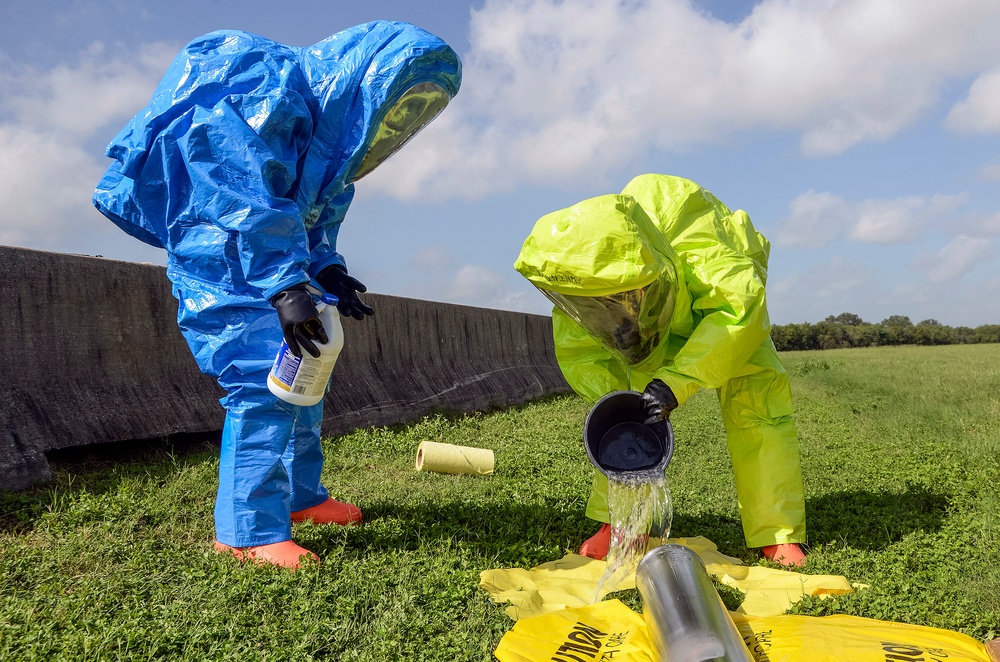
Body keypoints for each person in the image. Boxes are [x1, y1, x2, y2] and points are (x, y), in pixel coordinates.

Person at [93, 22, 462, 569]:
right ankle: (247, 531)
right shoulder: (264, 88)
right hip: (222, 256)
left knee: (304, 378)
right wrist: (284, 284)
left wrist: (327, 270)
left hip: (271, 264)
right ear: (366, 80)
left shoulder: (324, 138)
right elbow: (238, 192)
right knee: (261, 384)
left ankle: (300, 497)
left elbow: (309, 214)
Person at [513, 174, 807, 567]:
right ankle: (622, 526)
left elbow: (739, 314)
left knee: (757, 407)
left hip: (720, 319)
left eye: (618, 300)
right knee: (630, 419)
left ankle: (777, 534)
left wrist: (677, 382)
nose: (606, 311)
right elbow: (583, 357)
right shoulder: (576, 292)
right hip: (657, 319)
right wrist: (619, 403)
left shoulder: (706, 254)